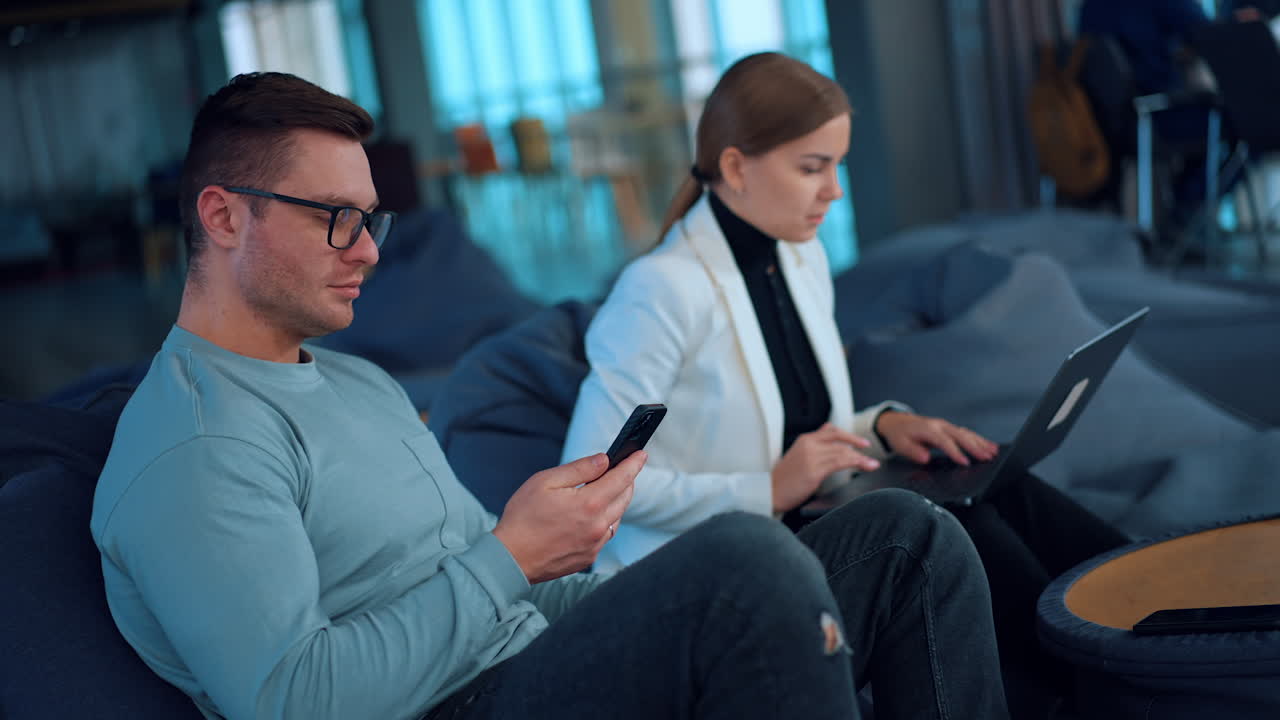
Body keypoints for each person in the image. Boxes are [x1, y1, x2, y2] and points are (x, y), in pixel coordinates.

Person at [90, 72, 1009, 720]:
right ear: (223, 216)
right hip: (454, 708)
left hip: (530, 669)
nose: (368, 249)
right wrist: (513, 557)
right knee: (749, 559)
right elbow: (295, 699)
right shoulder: (198, 446)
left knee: (906, 536)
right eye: (335, 219)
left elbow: (491, 577)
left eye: (369, 220)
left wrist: (622, 592)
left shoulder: (356, 381)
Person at [561, 52, 1128, 719]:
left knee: (991, 475)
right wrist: (766, 488)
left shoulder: (799, 256)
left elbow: (794, 421)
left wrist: (881, 424)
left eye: (838, 165)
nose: (834, 190)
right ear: (736, 168)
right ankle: (1099, 676)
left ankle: (1146, 615)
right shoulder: (659, 292)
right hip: (714, 568)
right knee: (956, 524)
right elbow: (592, 483)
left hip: (813, 512)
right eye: (812, 168)